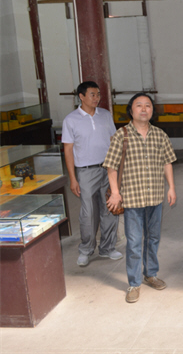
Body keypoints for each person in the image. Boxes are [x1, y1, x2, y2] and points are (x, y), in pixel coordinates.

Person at [104, 93, 177, 304]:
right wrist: (115, 192)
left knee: (153, 238)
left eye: (148, 105)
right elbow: (111, 166)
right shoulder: (121, 135)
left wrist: (171, 188)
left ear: (152, 110)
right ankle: (134, 283)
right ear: (131, 110)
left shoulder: (160, 135)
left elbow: (167, 162)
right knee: (135, 241)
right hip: (132, 199)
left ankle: (150, 274)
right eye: (139, 105)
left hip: (155, 196)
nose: (144, 109)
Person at [62, 81, 121, 267]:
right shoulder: (71, 120)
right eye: (92, 95)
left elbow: (114, 140)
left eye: (98, 94)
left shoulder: (105, 115)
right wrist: (73, 179)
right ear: (81, 96)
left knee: (110, 208)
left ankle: (108, 248)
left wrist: (119, 169)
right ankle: (86, 250)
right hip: (86, 171)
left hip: (108, 169)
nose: (97, 98)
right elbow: (68, 150)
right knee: (88, 213)